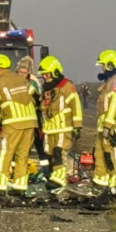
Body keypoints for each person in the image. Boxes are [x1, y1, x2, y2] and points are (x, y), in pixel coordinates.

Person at [0, 53, 38, 195]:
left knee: (5, 154)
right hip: (30, 122)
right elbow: (36, 97)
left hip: (13, 123)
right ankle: (19, 187)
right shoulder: (21, 79)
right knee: (23, 155)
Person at [38, 56, 82, 185]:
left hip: (63, 128)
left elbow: (76, 105)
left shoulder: (66, 86)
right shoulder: (46, 88)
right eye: (43, 74)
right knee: (50, 154)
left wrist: (77, 126)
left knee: (59, 153)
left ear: (55, 71)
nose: (45, 76)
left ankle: (58, 180)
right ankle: (56, 179)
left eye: (47, 73)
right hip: (49, 128)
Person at [94, 50, 116, 193]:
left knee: (111, 154)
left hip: (113, 126)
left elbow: (115, 104)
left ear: (109, 64)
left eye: (103, 65)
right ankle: (101, 181)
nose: (101, 68)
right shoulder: (110, 81)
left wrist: (108, 126)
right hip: (105, 126)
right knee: (100, 153)